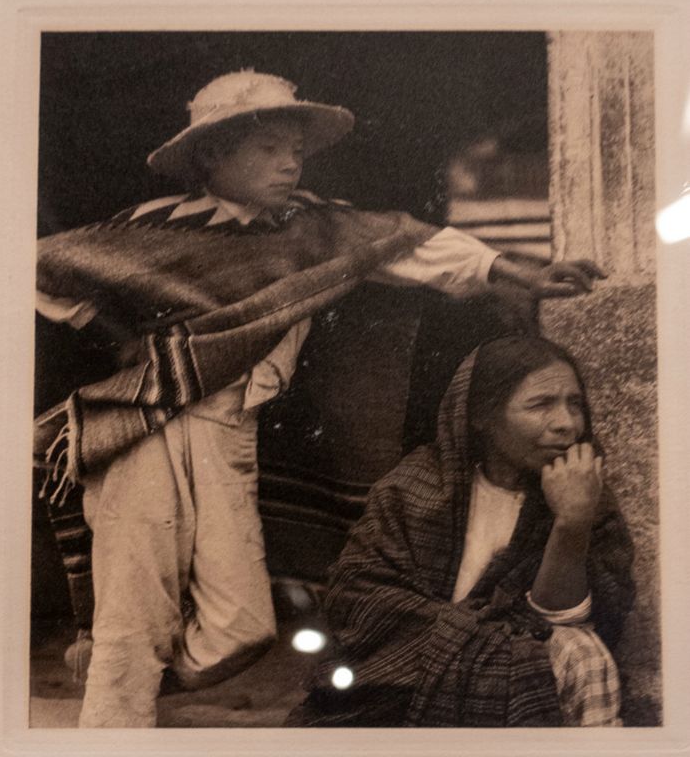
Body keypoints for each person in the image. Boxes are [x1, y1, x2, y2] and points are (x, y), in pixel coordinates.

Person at [34, 70, 606, 728]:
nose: (288, 162)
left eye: (296, 150)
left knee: (241, 627)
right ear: (211, 155)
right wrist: (120, 339)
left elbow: (415, 244)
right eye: (268, 148)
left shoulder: (315, 229)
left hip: (228, 430)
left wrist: (520, 271)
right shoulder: (151, 227)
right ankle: (112, 718)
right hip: (143, 422)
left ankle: (118, 684)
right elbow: (45, 273)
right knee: (136, 603)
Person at [288, 335, 634, 727]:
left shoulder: (587, 496)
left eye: (575, 404)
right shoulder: (411, 490)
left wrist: (572, 520)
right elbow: (359, 601)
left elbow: (562, 620)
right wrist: (480, 642)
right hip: (401, 679)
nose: (566, 424)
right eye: (540, 405)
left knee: (584, 655)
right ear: (480, 416)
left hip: (524, 667)